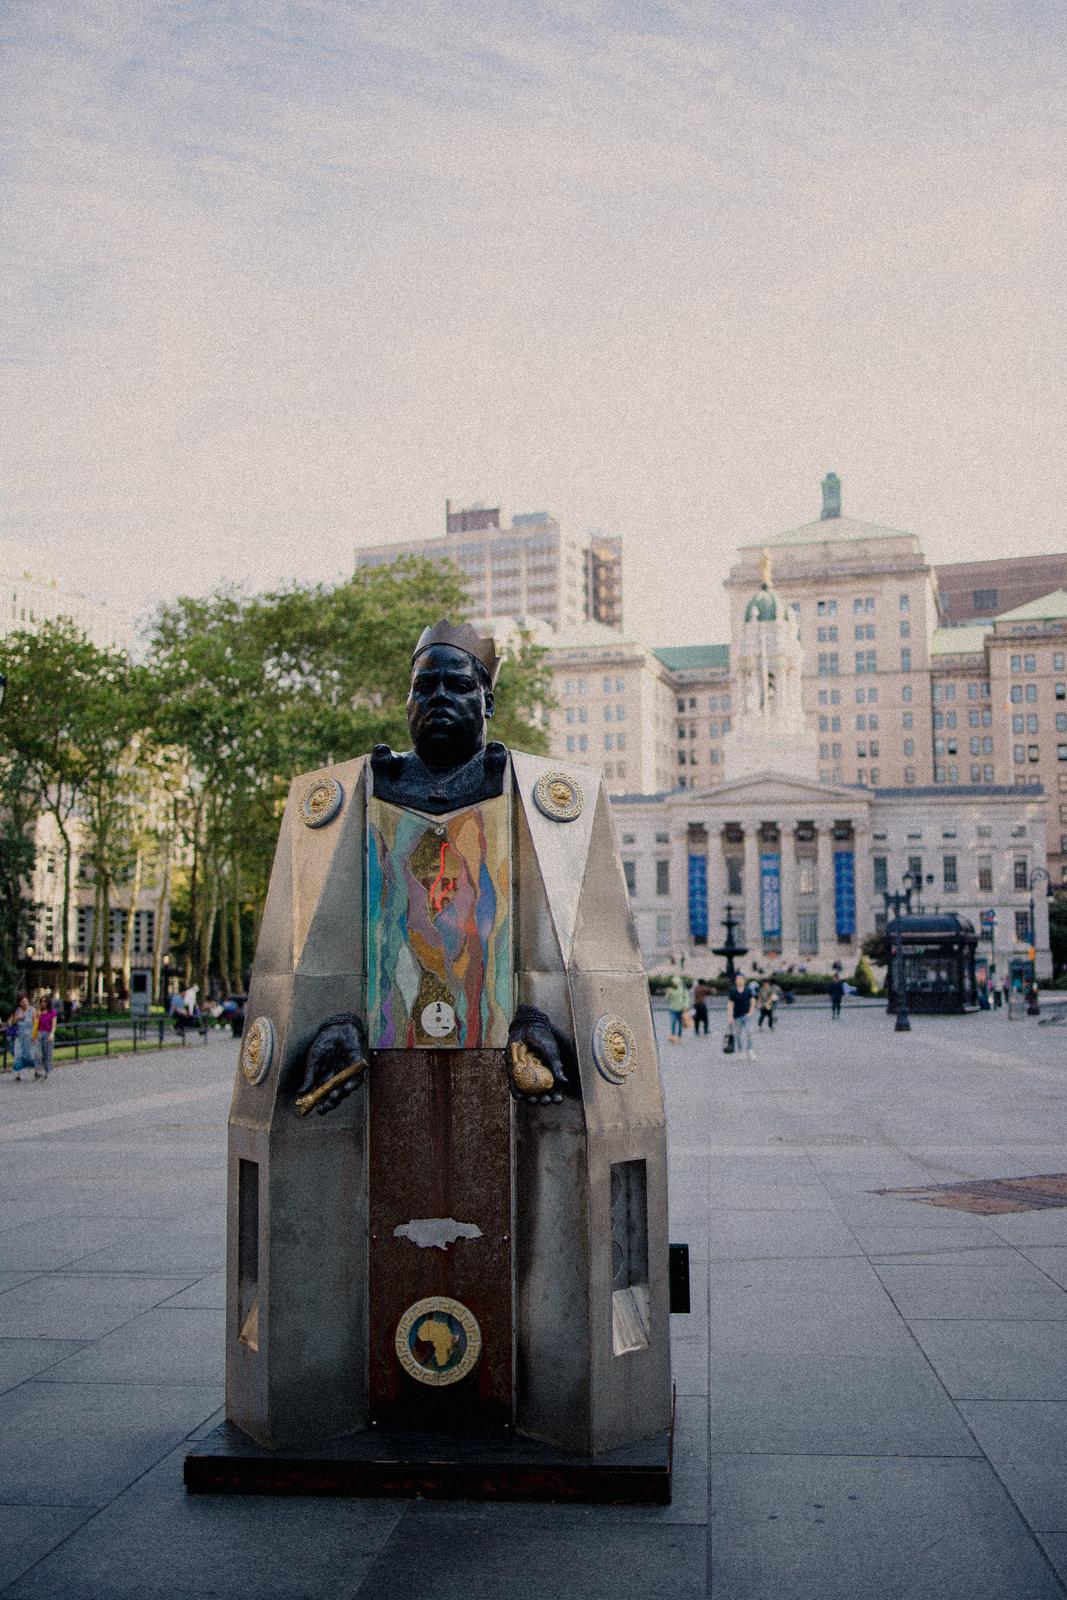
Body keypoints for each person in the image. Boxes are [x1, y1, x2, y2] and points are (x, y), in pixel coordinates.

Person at [7, 995, 36, 1085]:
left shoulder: (32, 1010)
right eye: (23, 1001)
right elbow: (13, 1022)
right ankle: (18, 1075)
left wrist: (34, 1036)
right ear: (20, 1003)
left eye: (26, 1001)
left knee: (30, 1055)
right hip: (19, 1036)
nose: (25, 1003)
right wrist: (18, 1018)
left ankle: (37, 1071)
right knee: (18, 1054)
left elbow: (35, 1023)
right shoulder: (18, 1011)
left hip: (29, 1036)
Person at [727, 971, 755, 1057]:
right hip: (736, 1016)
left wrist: (750, 1012)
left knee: (749, 1032)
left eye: (740, 979)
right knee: (738, 1034)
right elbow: (730, 1004)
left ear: (744, 980)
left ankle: (750, 1049)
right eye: (737, 979)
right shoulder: (733, 991)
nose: (738, 981)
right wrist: (730, 1016)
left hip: (747, 1016)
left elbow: (753, 1001)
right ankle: (740, 1050)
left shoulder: (748, 990)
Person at [34, 993, 57, 1079]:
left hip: (48, 1034)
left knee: (47, 1054)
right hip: (39, 1033)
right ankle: (37, 1071)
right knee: (37, 1053)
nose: (43, 1003)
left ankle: (47, 1071)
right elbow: (35, 1024)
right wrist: (38, 1015)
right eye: (42, 1002)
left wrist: (52, 1033)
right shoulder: (38, 1012)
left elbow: (54, 1025)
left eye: (45, 1002)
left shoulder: (52, 1012)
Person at [664, 973, 688, 1043]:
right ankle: (673, 1035)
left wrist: (686, 1006)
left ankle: (679, 1036)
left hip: (681, 1009)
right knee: (673, 1022)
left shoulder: (683, 989)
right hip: (673, 1009)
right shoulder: (670, 989)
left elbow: (686, 997)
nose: (675, 984)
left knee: (680, 1023)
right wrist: (668, 993)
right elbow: (667, 999)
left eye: (676, 982)